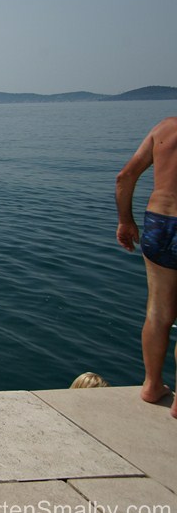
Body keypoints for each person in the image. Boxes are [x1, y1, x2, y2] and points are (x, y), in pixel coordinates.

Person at [115, 116, 177, 417]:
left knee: (157, 311)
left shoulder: (163, 129)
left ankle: (152, 385)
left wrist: (126, 221)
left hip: (159, 222)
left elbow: (125, 176)